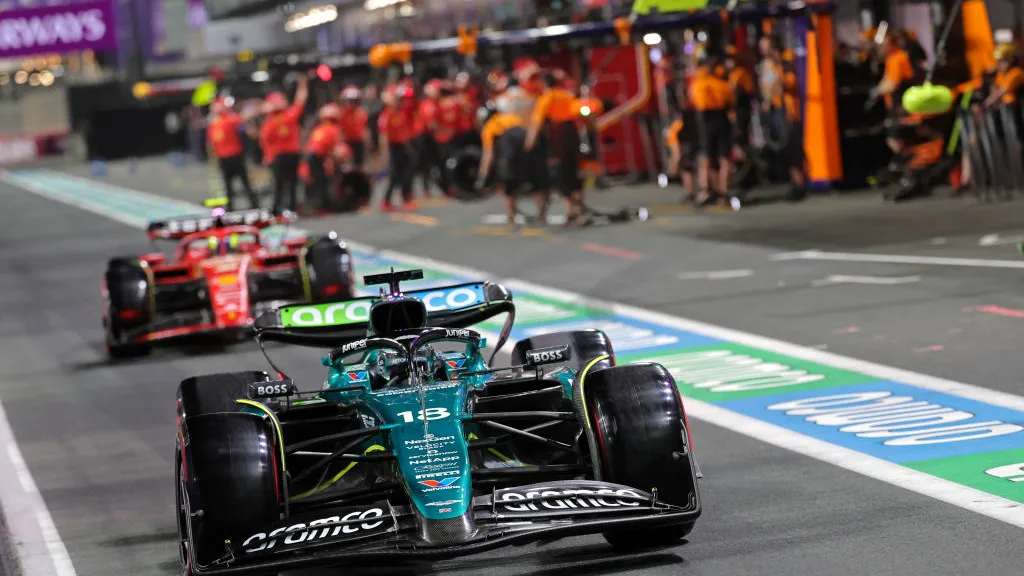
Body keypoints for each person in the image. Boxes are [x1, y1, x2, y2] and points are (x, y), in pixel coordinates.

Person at [476, 100, 550, 229]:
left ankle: (512, 218)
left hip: (510, 149)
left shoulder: (489, 128)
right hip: (528, 145)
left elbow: (488, 154)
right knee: (537, 182)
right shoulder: (511, 117)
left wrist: (482, 175)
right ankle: (542, 215)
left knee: (508, 185)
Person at [526, 70, 585, 224]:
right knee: (573, 171)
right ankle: (573, 210)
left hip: (557, 136)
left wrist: (530, 142)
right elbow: (580, 112)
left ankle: (576, 206)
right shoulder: (568, 95)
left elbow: (537, 121)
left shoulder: (547, 98)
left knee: (559, 173)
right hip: (573, 134)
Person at [689, 53, 735, 207]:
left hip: (706, 119)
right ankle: (722, 191)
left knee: (707, 156)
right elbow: (730, 101)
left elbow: (696, 102)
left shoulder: (699, 83)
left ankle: (706, 191)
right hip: (722, 118)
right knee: (723, 158)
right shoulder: (722, 83)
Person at [259, 76, 309, 214]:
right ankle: (292, 208)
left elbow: (265, 141)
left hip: (279, 156)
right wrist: (302, 86)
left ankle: (277, 209)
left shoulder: (269, 122)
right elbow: (300, 100)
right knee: (292, 183)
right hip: (292, 154)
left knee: (279, 184)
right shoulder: (289, 115)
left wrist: (267, 158)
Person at [207, 97, 260, 210]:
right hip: (223, 159)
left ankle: (255, 204)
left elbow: (244, 118)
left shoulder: (230, 119)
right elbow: (212, 144)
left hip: (235, 156)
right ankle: (230, 208)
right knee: (228, 186)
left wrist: (256, 108)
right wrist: (214, 159)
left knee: (245, 183)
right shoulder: (214, 124)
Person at [377, 84, 419, 212]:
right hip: (394, 148)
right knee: (395, 175)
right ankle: (386, 201)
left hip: (403, 146)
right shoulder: (386, 115)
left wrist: (408, 147)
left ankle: (407, 197)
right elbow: (383, 136)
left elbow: (405, 131)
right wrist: (385, 154)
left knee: (408, 173)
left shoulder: (402, 113)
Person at [305, 103, 343, 212]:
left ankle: (320, 205)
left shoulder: (319, 128)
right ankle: (320, 207)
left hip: (313, 156)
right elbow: (333, 150)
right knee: (321, 182)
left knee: (317, 181)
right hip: (316, 157)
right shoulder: (333, 130)